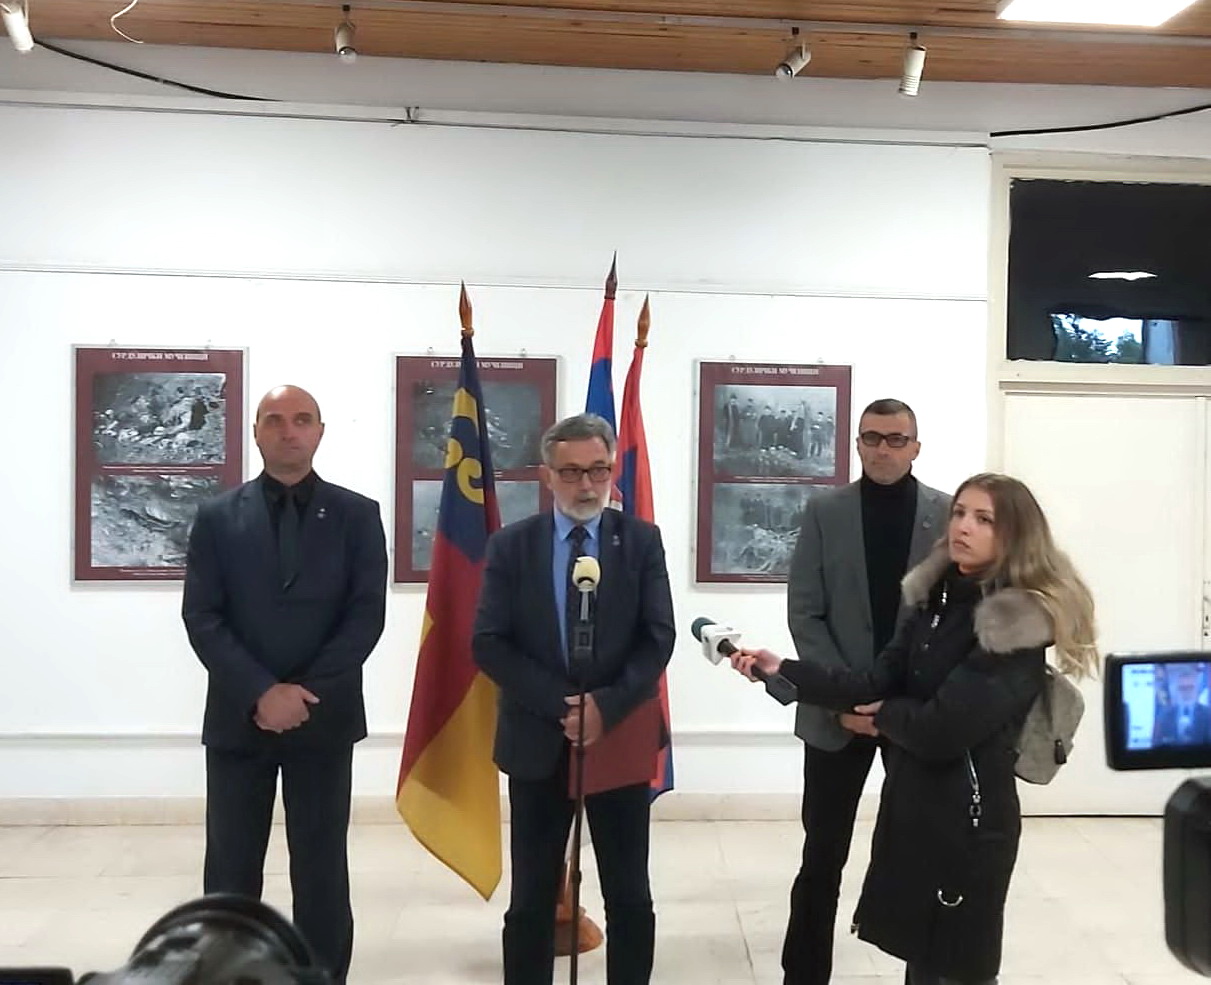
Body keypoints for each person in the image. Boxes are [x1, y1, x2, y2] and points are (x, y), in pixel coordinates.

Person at [735, 472, 1099, 985]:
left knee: (959, 967)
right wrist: (785, 671)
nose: (963, 526)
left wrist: (883, 715)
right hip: (919, 807)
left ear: (1015, 535)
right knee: (923, 959)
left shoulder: (1014, 623)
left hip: (970, 822)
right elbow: (874, 680)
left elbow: (943, 728)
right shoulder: (937, 598)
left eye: (984, 519)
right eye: (960, 513)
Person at [182, 385, 387, 985]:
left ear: (320, 431)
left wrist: (301, 694)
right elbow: (203, 616)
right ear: (255, 432)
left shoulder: (357, 515)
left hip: (324, 719)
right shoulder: (217, 517)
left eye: (301, 420)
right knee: (230, 870)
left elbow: (365, 616)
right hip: (238, 718)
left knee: (321, 869)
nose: (288, 431)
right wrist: (261, 691)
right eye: (274, 420)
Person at [473, 412, 675, 985]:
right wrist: (564, 707)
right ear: (547, 476)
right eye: (571, 472)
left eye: (598, 470)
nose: (586, 485)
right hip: (538, 737)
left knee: (629, 893)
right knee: (532, 898)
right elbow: (489, 642)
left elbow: (658, 636)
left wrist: (604, 706)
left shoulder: (640, 542)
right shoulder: (512, 546)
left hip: (618, 732)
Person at [782, 397, 950, 985]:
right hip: (837, 714)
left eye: (896, 439)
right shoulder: (824, 512)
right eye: (871, 437)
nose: (883, 449)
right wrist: (847, 698)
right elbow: (805, 612)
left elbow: (950, 621)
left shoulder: (946, 515)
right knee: (821, 857)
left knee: (921, 856)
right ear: (856, 444)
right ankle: (803, 975)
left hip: (911, 713)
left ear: (916, 447)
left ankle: (924, 973)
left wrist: (892, 704)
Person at [1153, 663, 1211, 746]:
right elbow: (1158, 745)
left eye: (1190, 687)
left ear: (1197, 689)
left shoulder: (1208, 714)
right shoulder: (1165, 715)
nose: (1186, 692)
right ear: (1177, 689)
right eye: (1183, 688)